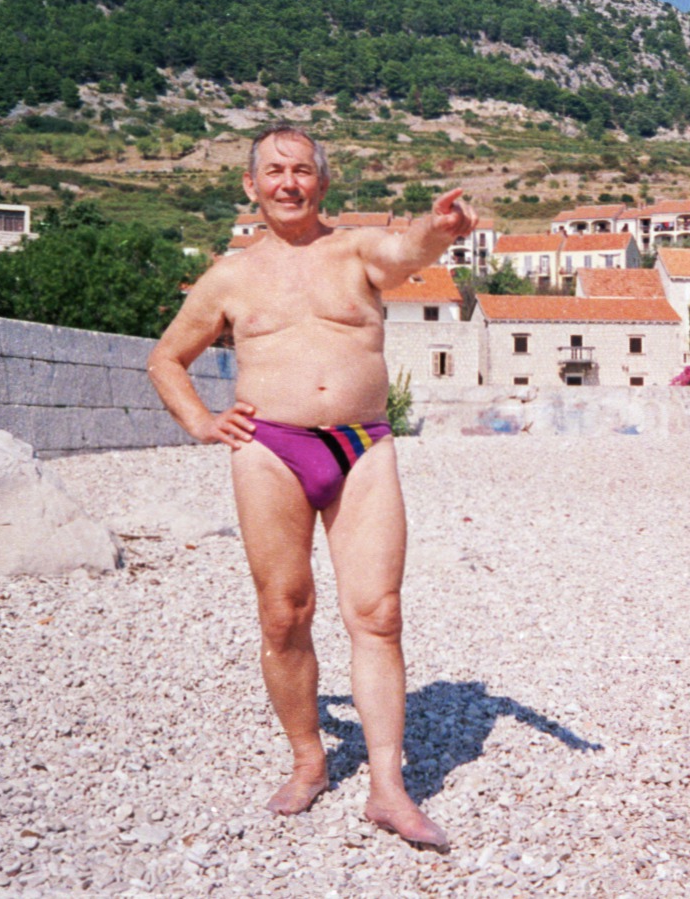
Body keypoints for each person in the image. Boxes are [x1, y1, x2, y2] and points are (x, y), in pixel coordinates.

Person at [148, 124, 476, 847]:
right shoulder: (230, 275)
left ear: (322, 183)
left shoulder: (355, 249)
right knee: (283, 614)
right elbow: (167, 358)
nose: (288, 182)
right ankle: (308, 757)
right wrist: (203, 422)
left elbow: (407, 251)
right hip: (269, 448)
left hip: (362, 446)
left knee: (379, 613)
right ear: (250, 185)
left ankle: (389, 787)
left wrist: (437, 226)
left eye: (302, 170)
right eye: (274, 171)